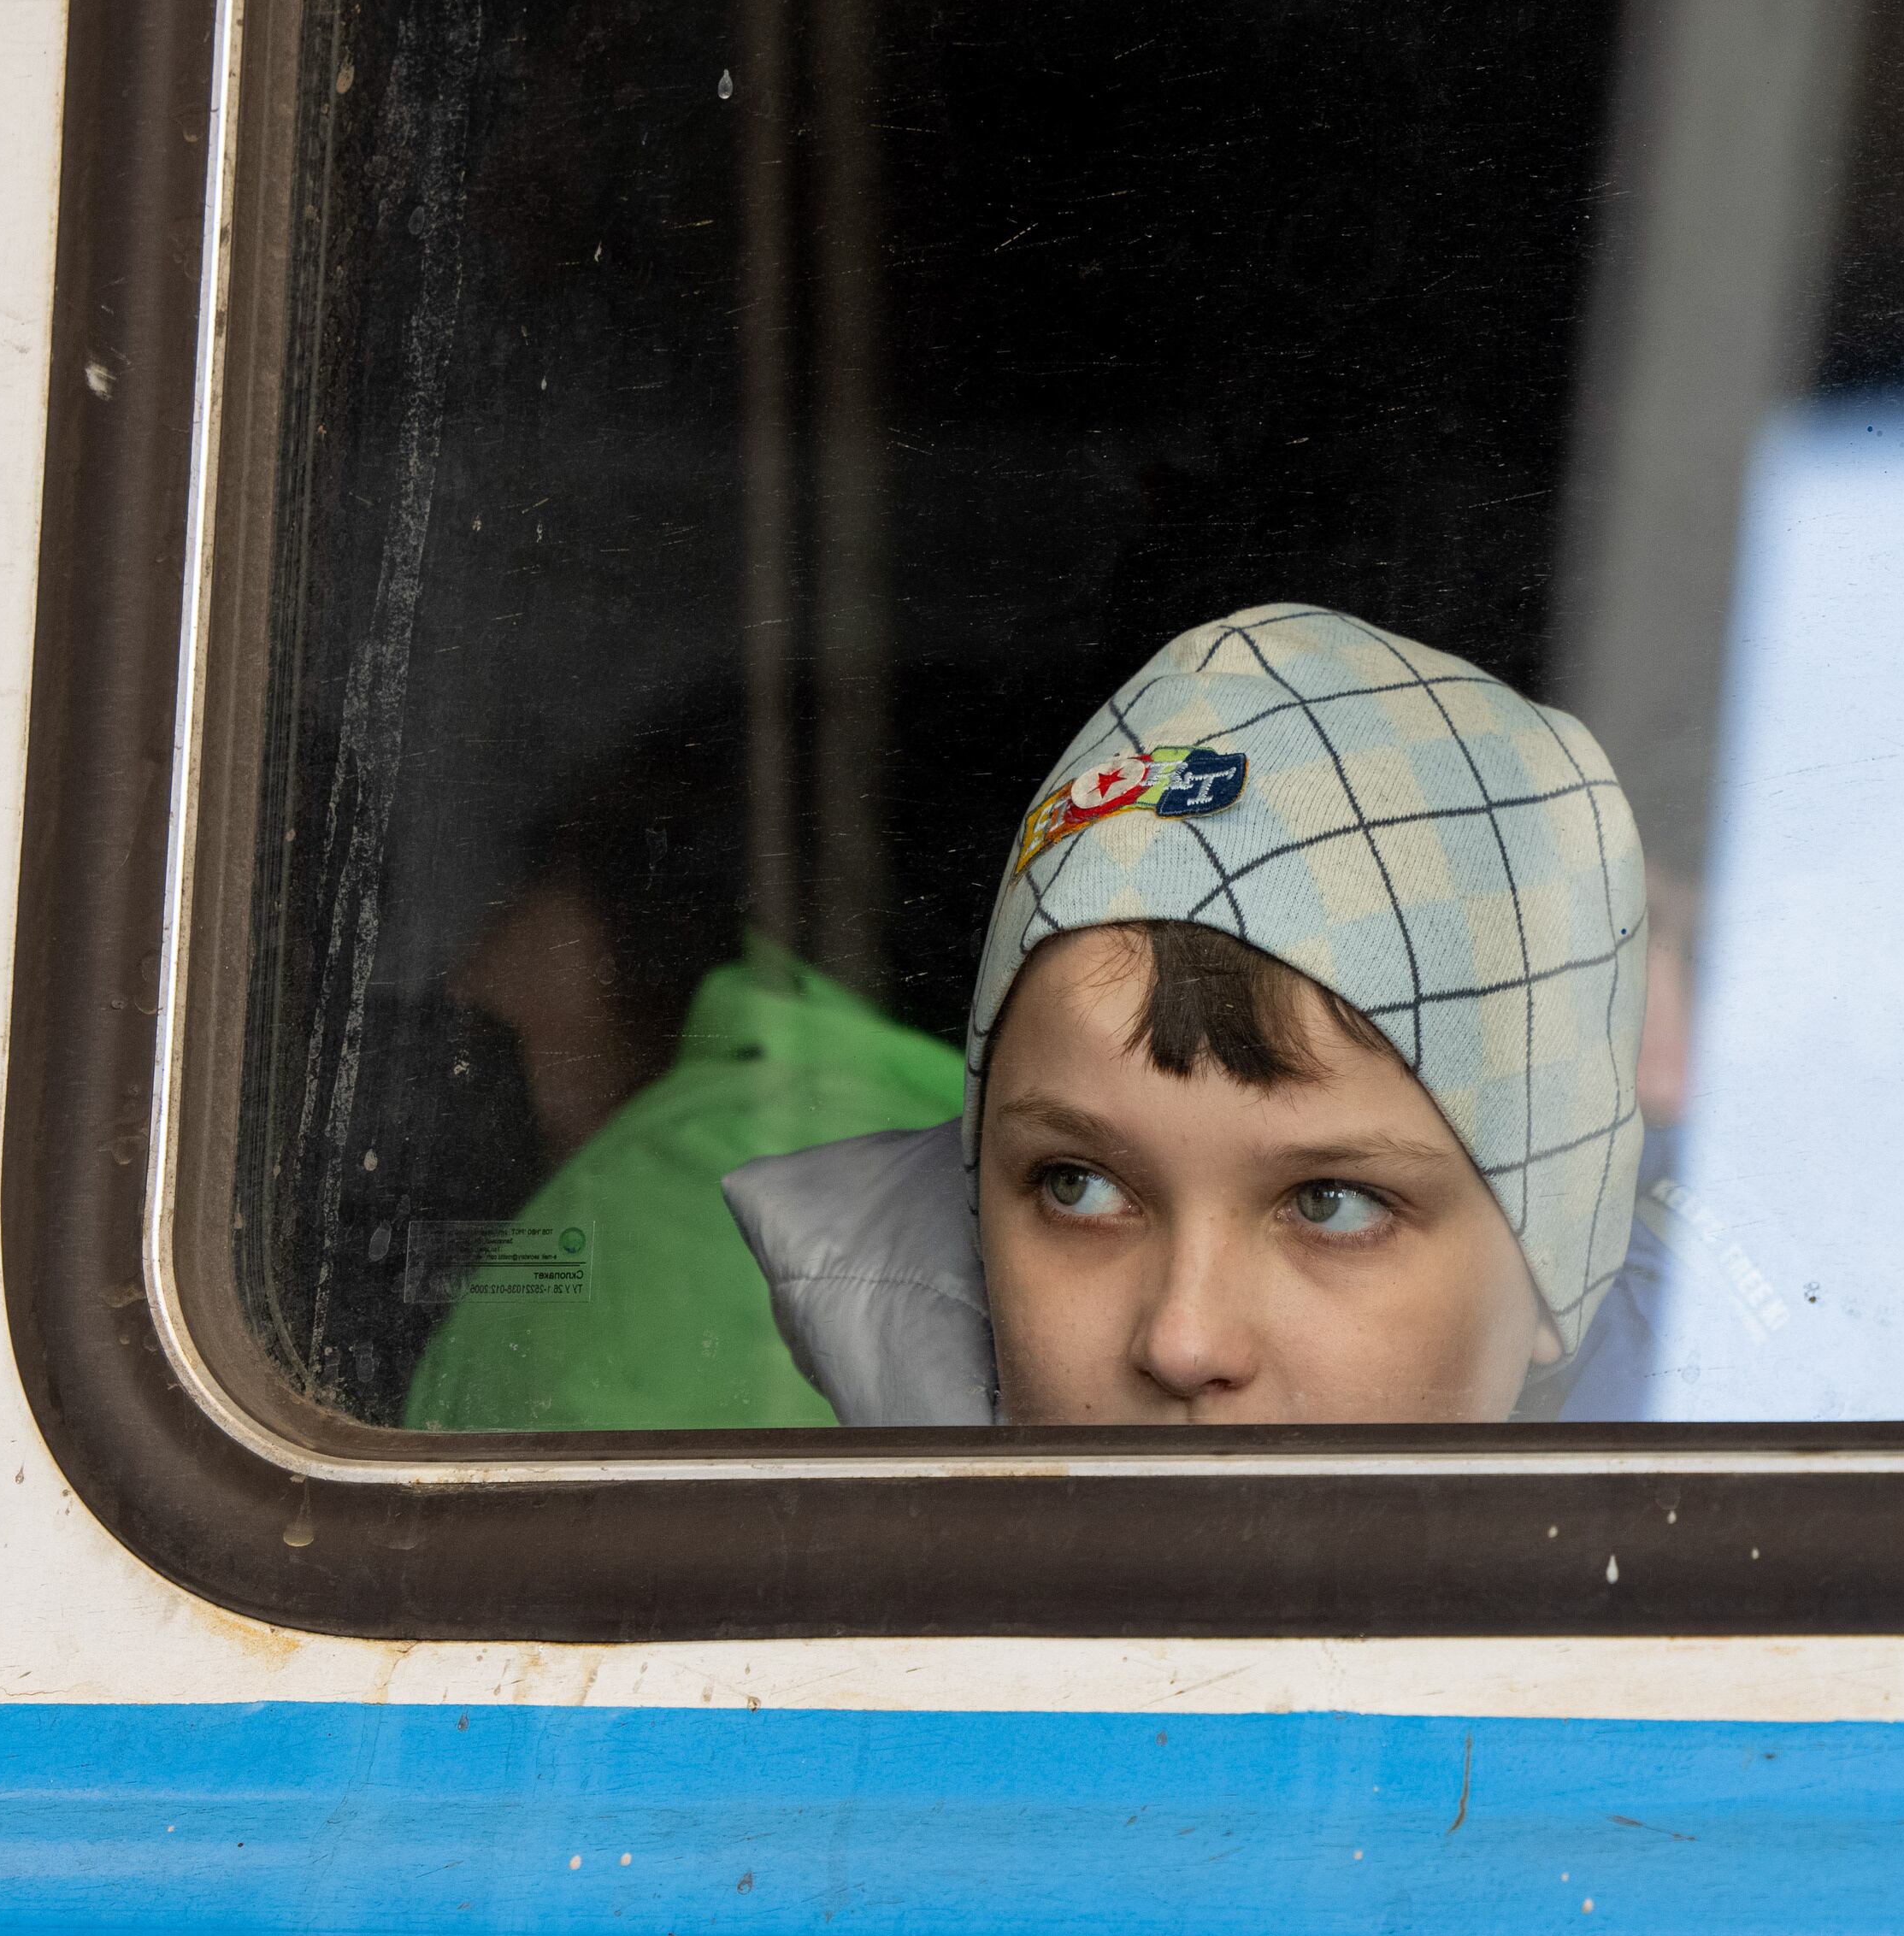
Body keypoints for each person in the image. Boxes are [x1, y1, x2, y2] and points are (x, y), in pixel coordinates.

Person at [725, 603, 1648, 1424]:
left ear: (1556, 1252)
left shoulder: (1745, 1596)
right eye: (1074, 1183)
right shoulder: (821, 1607)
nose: (1182, 1341)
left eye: (1333, 1204)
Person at [404, 715, 965, 1431]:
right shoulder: (906, 1128)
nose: (462, 975)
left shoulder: (687, 1183)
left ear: (632, 914)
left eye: (532, 880)